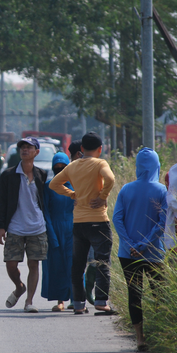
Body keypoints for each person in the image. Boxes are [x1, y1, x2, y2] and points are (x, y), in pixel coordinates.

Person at [49, 132, 116, 315]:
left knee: (78, 265)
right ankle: (101, 301)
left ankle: (78, 304)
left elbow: (54, 184)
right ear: (100, 149)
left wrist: (72, 194)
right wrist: (102, 197)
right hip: (98, 221)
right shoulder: (100, 163)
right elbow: (110, 179)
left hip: (78, 222)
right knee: (102, 262)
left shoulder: (72, 167)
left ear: (81, 149)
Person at [112, 148, 167, 351]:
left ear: (137, 167)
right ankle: (163, 335)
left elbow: (117, 218)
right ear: (156, 166)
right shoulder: (161, 190)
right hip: (154, 253)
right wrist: (145, 244)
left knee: (134, 294)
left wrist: (130, 245)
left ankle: (140, 338)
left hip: (128, 254)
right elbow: (163, 222)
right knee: (160, 293)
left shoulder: (126, 189)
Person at [0, 137, 48, 313]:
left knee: (34, 264)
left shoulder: (42, 174)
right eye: (22, 147)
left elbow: (43, 201)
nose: (25, 150)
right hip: (15, 227)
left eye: (29, 147)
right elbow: (1, 202)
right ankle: (19, 287)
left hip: (37, 227)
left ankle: (29, 301)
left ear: (36, 152)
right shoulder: (8, 175)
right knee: (11, 264)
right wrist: (0, 227)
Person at [41, 152, 74, 311]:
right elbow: (45, 212)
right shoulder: (48, 187)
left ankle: (76, 299)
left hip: (73, 228)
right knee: (57, 266)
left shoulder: (77, 185)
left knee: (74, 264)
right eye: (57, 168)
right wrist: (51, 235)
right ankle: (60, 300)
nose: (60, 170)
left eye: (64, 167)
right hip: (53, 227)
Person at [67, 139, 96, 307]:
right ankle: (77, 298)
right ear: (80, 154)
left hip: (91, 220)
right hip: (78, 223)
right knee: (79, 262)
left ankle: (87, 293)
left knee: (91, 261)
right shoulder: (71, 173)